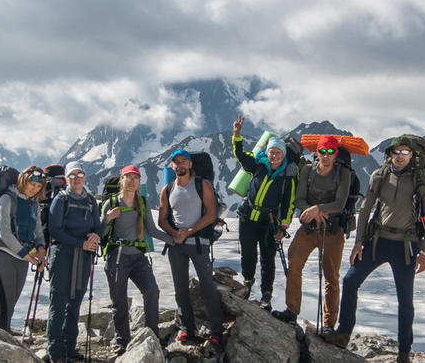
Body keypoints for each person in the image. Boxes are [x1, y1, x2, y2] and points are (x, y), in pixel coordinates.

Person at [322, 136, 425, 363]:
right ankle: (344, 333)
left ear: (412, 155)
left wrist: (423, 252)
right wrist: (358, 242)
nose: (400, 156)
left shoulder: (420, 178)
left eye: (405, 152)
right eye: (396, 152)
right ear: (390, 154)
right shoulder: (380, 176)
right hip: (378, 241)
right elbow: (365, 209)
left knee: (405, 300)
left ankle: (404, 353)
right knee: (350, 281)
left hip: (406, 245)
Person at [273, 135, 351, 327]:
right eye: (322, 151)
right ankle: (292, 311)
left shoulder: (344, 173)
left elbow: (341, 204)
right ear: (317, 152)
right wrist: (313, 212)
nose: (326, 156)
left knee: (331, 277)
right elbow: (298, 199)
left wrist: (318, 209)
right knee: (294, 263)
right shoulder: (308, 170)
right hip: (309, 228)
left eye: (330, 152)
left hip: (333, 230)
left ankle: (329, 324)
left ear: (335, 153)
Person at [101, 165, 174, 356]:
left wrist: (174, 239)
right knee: (119, 300)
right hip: (117, 257)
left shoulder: (142, 202)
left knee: (151, 291)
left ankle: (152, 335)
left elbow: (152, 230)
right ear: (121, 181)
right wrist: (107, 219)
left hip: (138, 257)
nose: (132, 181)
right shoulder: (111, 203)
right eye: (128, 177)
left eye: (136, 178)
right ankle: (122, 342)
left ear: (139, 182)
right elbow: (100, 233)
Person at [158, 149, 225, 348]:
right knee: (180, 288)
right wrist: (174, 232)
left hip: (198, 243)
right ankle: (187, 328)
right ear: (172, 166)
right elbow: (162, 219)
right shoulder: (167, 190)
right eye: (176, 162)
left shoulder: (202, 184)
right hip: (176, 246)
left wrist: (188, 231)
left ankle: (217, 331)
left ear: (190, 164)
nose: (180, 165)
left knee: (207, 286)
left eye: (183, 161)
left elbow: (211, 215)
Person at [231, 115, 299, 310]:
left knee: (268, 259)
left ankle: (266, 295)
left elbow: (289, 205)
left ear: (284, 154)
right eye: (272, 152)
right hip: (248, 218)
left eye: (278, 152)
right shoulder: (258, 165)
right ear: (267, 153)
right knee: (248, 255)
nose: (275, 156)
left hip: (269, 222)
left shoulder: (288, 178)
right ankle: (247, 282)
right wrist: (237, 135)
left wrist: (283, 227)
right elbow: (241, 155)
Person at [46, 161, 103, 363]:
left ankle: (70, 346)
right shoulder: (61, 200)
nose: (77, 179)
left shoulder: (90, 200)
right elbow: (55, 231)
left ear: (85, 177)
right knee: (59, 301)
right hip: (63, 255)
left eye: (80, 175)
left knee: (75, 301)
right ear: (67, 179)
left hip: (83, 257)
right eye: (72, 175)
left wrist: (96, 236)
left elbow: (98, 226)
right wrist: (82, 244)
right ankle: (56, 351)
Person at [0, 166, 48, 332]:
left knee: (10, 304)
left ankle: (1, 336)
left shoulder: (33, 204)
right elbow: (4, 232)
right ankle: (0, 343)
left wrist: (41, 251)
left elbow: (37, 231)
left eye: (38, 187)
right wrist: (29, 257)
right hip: (2, 255)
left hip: (22, 259)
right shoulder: (7, 198)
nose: (34, 189)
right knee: (4, 306)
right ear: (23, 181)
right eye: (32, 184)